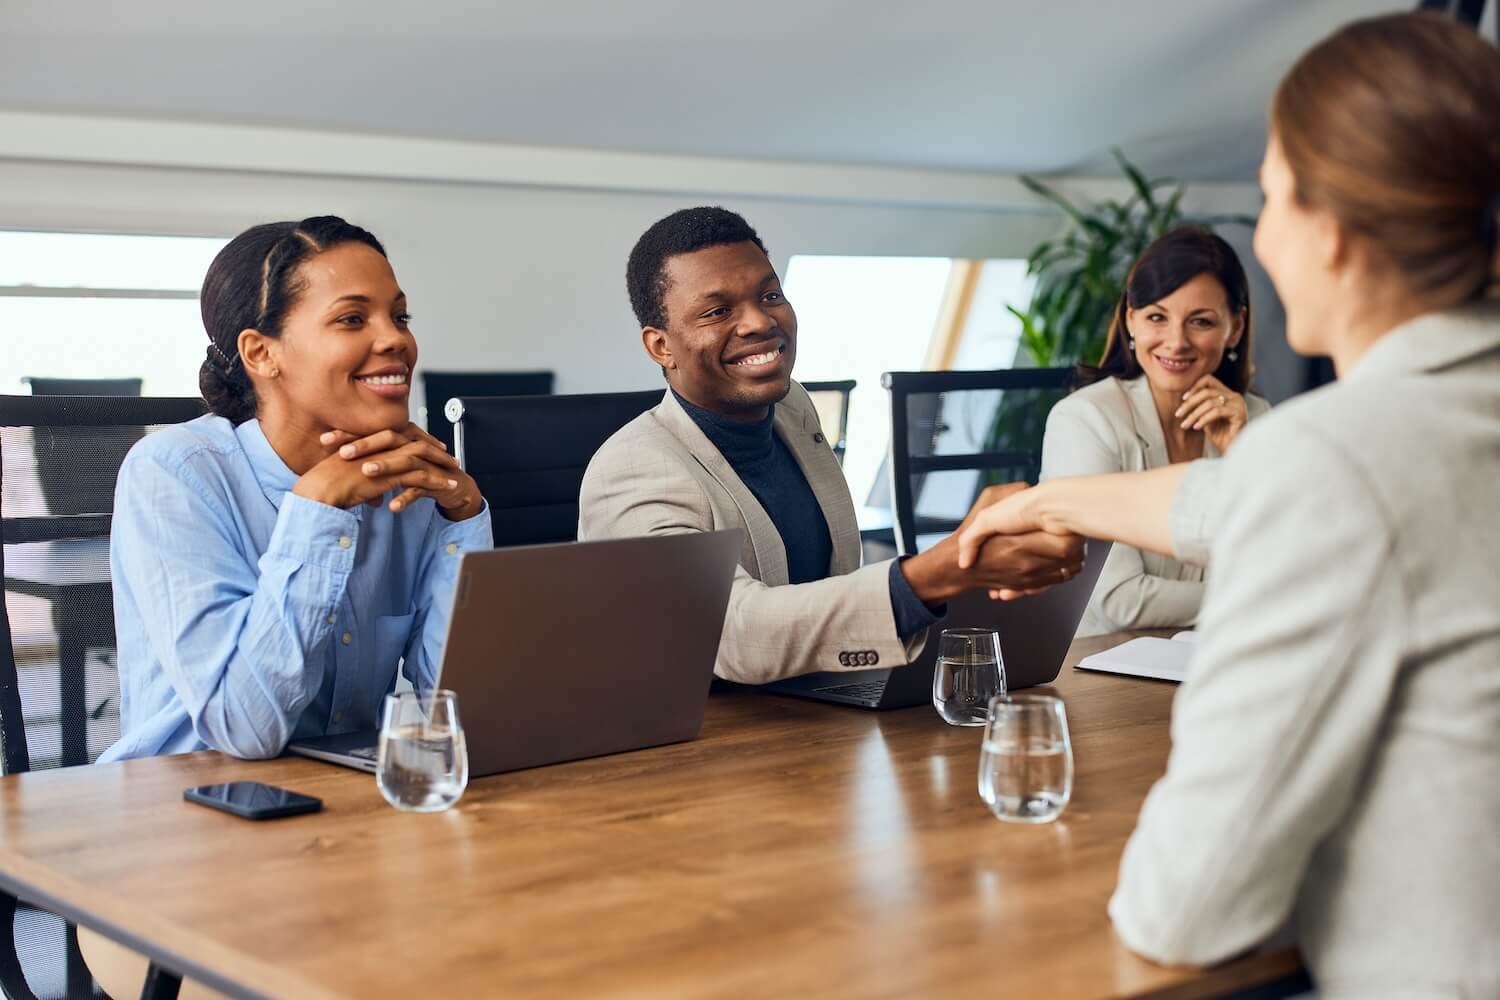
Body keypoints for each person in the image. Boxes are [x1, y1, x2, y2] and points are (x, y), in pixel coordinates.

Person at [955, 13, 1500, 995]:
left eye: (1272, 199)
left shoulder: (1332, 456)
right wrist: (1048, 501)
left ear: (1328, 234)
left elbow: (1189, 901)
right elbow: (1229, 502)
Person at [579, 206, 1083, 684]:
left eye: (770, 295)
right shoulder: (634, 468)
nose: (759, 322)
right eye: (717, 310)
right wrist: (934, 573)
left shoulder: (793, 409)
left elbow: (828, 582)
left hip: (818, 708)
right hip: (704, 741)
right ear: (661, 346)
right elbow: (722, 632)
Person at [100, 216, 491, 763]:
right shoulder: (175, 473)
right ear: (262, 354)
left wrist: (463, 517)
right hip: (182, 807)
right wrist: (317, 509)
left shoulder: (410, 484)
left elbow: (463, 714)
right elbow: (245, 727)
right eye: (353, 318)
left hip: (345, 803)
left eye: (399, 316)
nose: (396, 339)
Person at [1043, 227, 1270, 635]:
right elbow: (1120, 601)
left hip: (1214, 655)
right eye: (1156, 317)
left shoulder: (1253, 417)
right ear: (1131, 319)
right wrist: (1261, 595)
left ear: (1234, 328)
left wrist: (1240, 456)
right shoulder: (1084, 420)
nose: (1176, 342)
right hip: (1102, 671)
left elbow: (1289, 556)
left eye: (1200, 321)